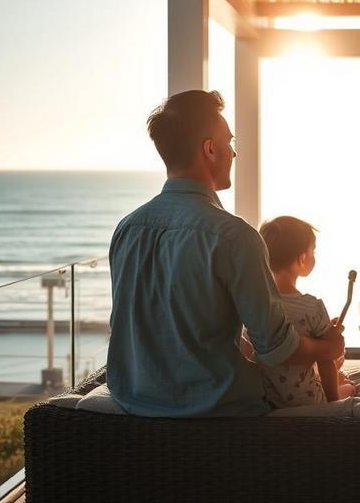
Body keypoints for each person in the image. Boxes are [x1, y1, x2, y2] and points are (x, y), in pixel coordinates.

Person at [106, 90, 345, 417]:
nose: (233, 153)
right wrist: (327, 347)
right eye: (230, 143)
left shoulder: (127, 229)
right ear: (210, 149)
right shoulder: (234, 237)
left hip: (134, 407)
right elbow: (275, 349)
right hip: (218, 415)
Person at [250, 216, 356, 407]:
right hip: (307, 399)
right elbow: (326, 359)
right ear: (302, 259)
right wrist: (333, 401)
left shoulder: (256, 303)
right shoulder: (312, 306)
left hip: (268, 399)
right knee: (349, 387)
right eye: (313, 251)